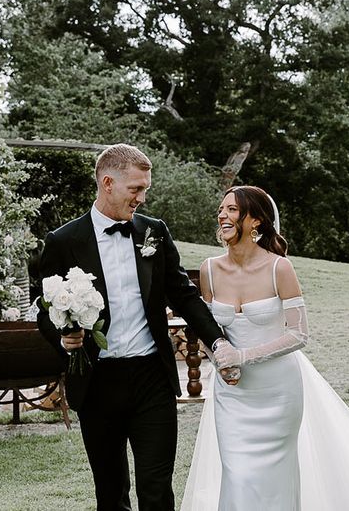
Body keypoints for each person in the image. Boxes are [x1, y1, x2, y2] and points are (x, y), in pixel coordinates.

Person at [181, 185, 349, 511]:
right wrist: (221, 360)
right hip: (233, 393)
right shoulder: (210, 269)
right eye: (222, 209)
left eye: (232, 210)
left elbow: (299, 335)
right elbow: (211, 330)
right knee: (237, 474)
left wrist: (243, 356)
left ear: (255, 220)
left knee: (276, 477)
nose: (222, 215)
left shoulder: (278, 268)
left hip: (277, 391)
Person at [36, 143, 228, 511]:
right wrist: (64, 336)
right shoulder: (63, 241)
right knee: (111, 492)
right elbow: (43, 309)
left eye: (145, 189)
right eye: (135, 189)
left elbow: (184, 296)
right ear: (108, 183)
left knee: (157, 489)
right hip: (97, 381)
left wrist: (217, 342)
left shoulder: (153, 232)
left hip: (151, 377)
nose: (141, 197)